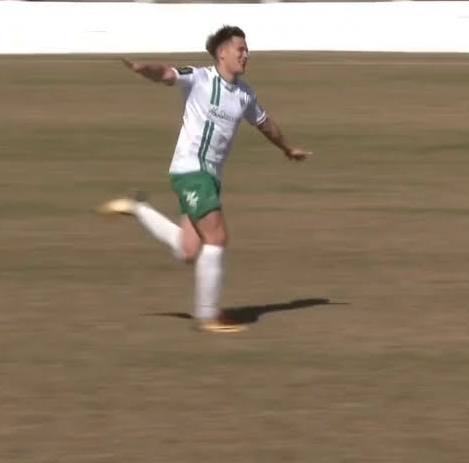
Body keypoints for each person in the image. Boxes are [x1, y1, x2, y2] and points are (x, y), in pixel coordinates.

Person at [97, 26, 310, 333]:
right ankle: (208, 316)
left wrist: (288, 148)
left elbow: (264, 124)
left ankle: (137, 207)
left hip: (209, 177)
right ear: (222, 52)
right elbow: (167, 74)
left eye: (247, 50)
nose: (246, 55)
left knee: (187, 250)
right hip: (190, 170)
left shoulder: (245, 94)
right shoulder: (199, 77)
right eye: (241, 49)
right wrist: (145, 69)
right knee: (217, 238)